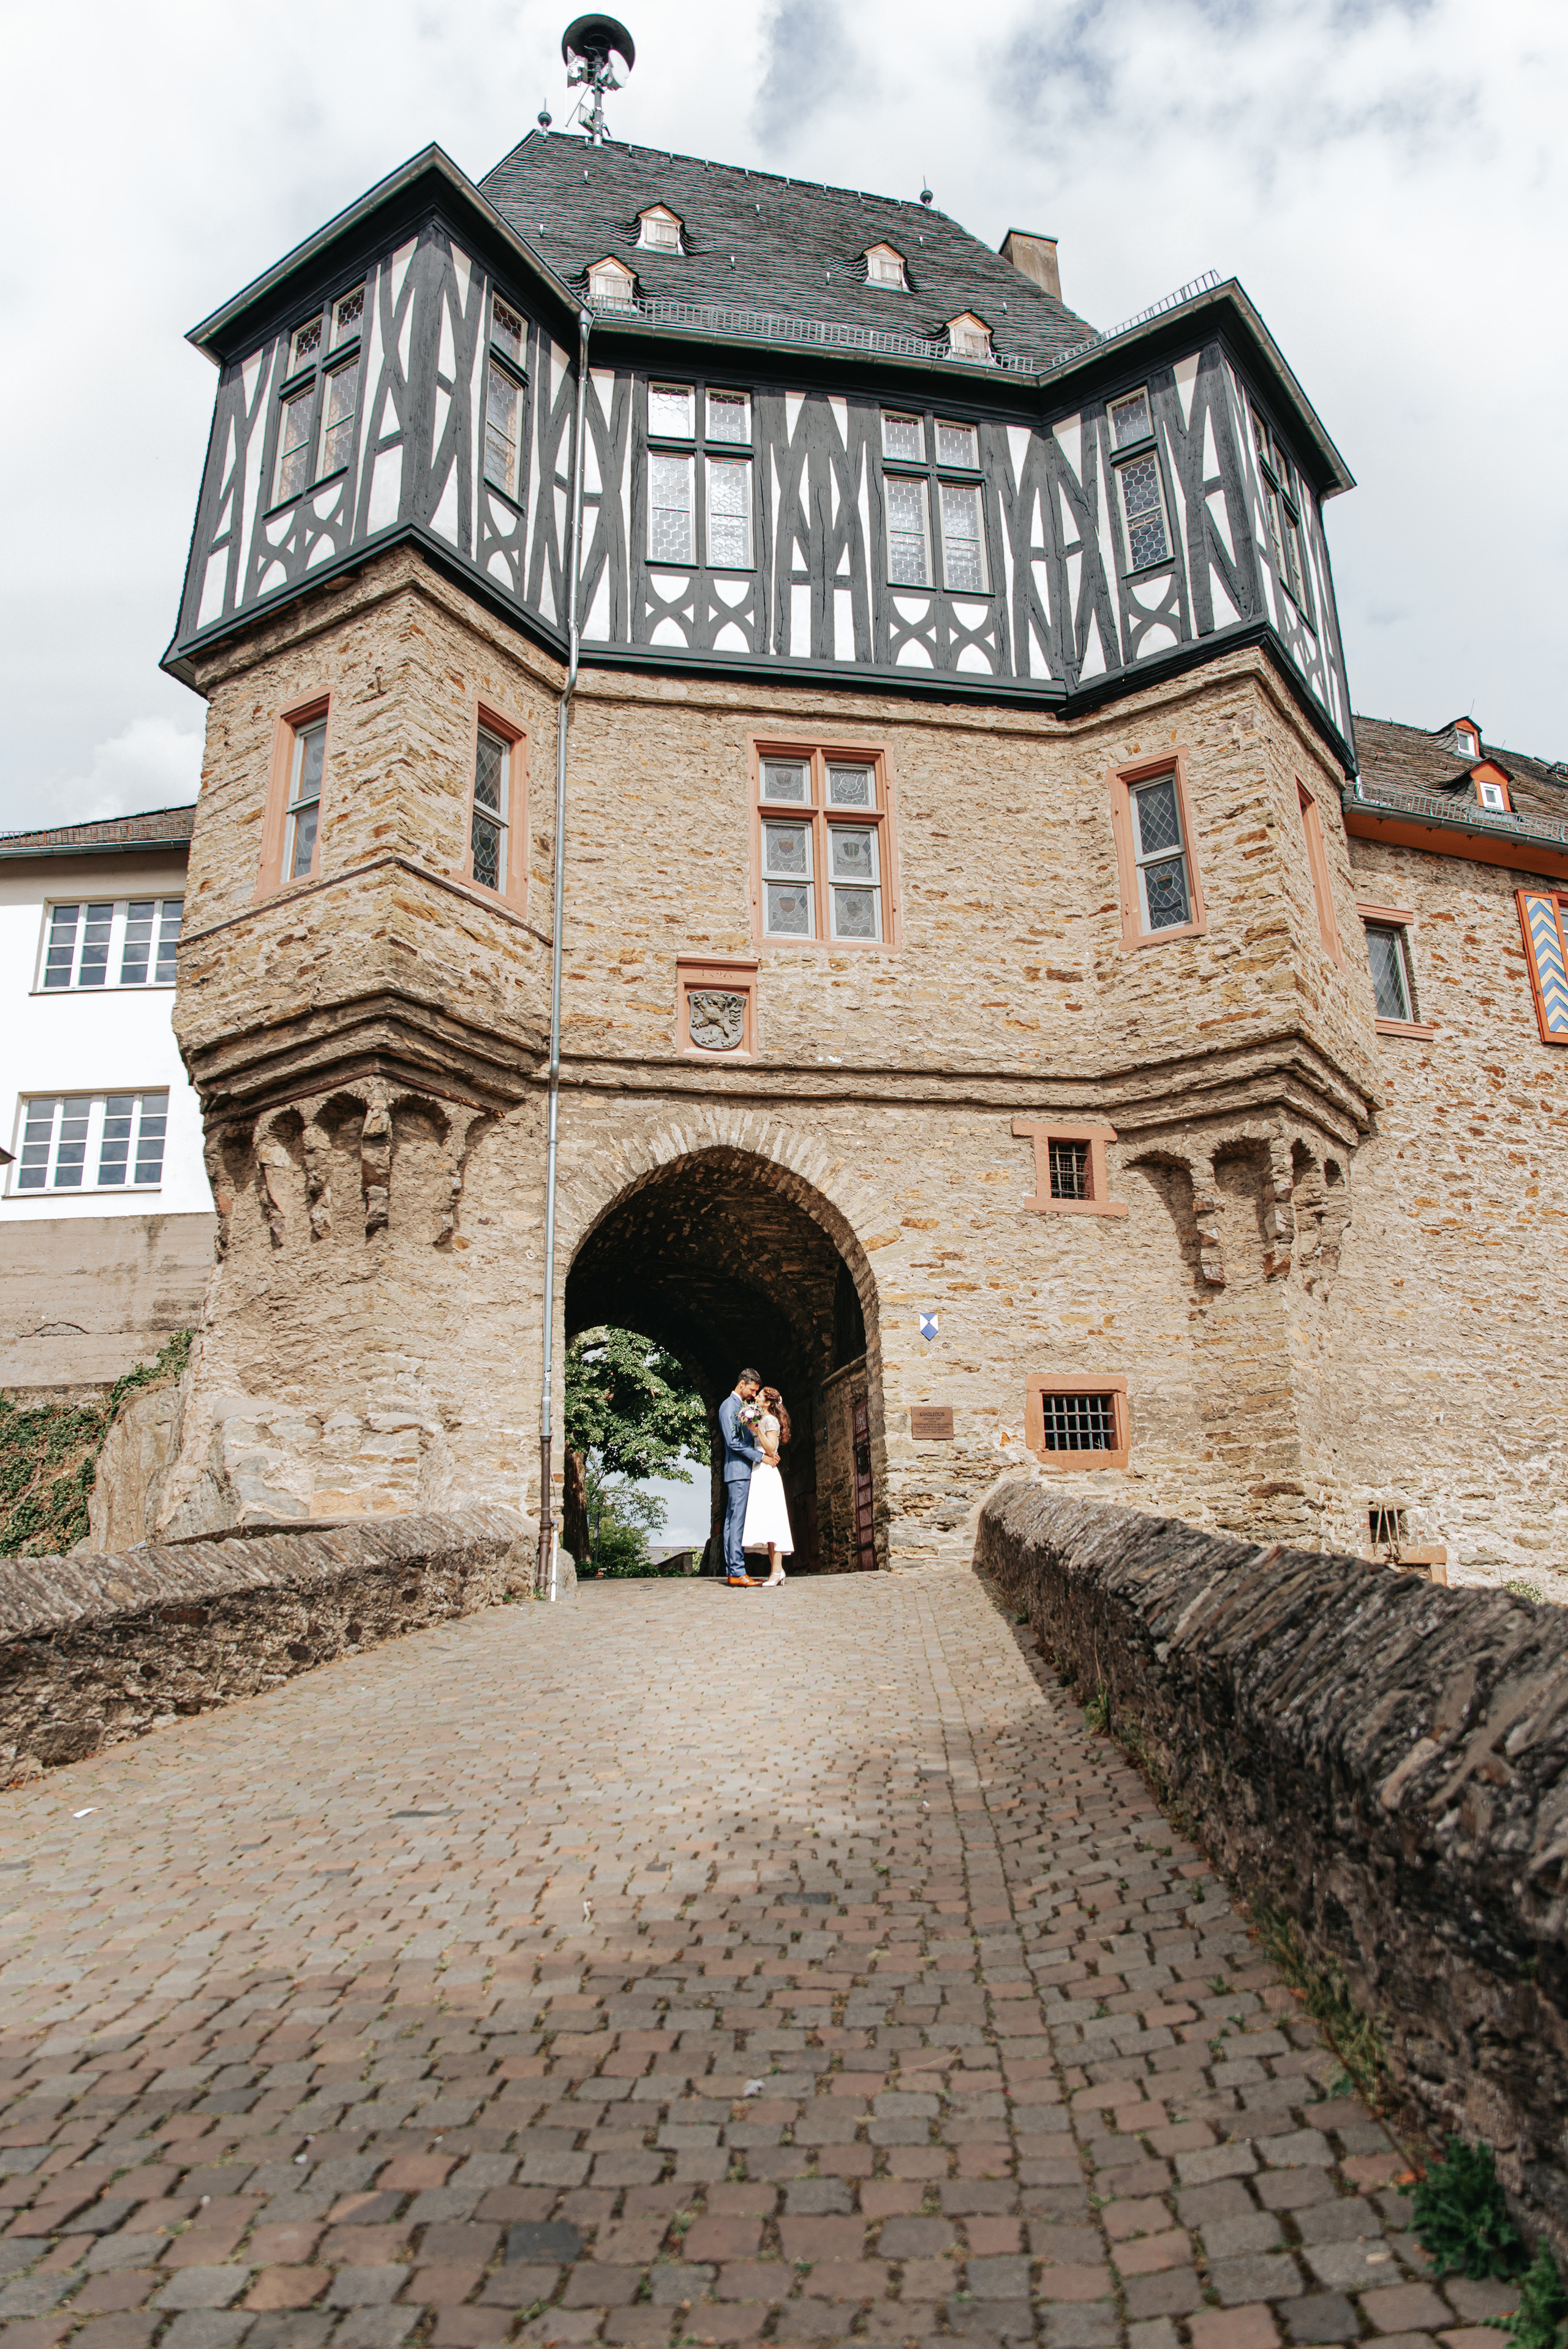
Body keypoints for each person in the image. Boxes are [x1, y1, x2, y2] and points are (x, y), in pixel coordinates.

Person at [741, 1385, 794, 1586]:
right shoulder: (761, 1419)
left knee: (774, 1521)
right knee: (766, 1521)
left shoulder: (771, 1420)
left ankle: (777, 1571)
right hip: (759, 1471)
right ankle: (777, 1570)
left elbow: (771, 1450)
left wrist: (757, 1430)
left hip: (767, 1473)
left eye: (760, 1396)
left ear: (767, 1402)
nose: (755, 1398)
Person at [718, 1368, 766, 1587]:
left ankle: (733, 1571)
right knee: (736, 1522)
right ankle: (737, 1571)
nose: (754, 1395)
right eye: (752, 1390)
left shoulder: (740, 1407)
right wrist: (760, 1457)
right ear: (742, 1384)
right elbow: (732, 1442)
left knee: (732, 1522)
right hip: (738, 1471)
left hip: (739, 1471)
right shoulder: (729, 1406)